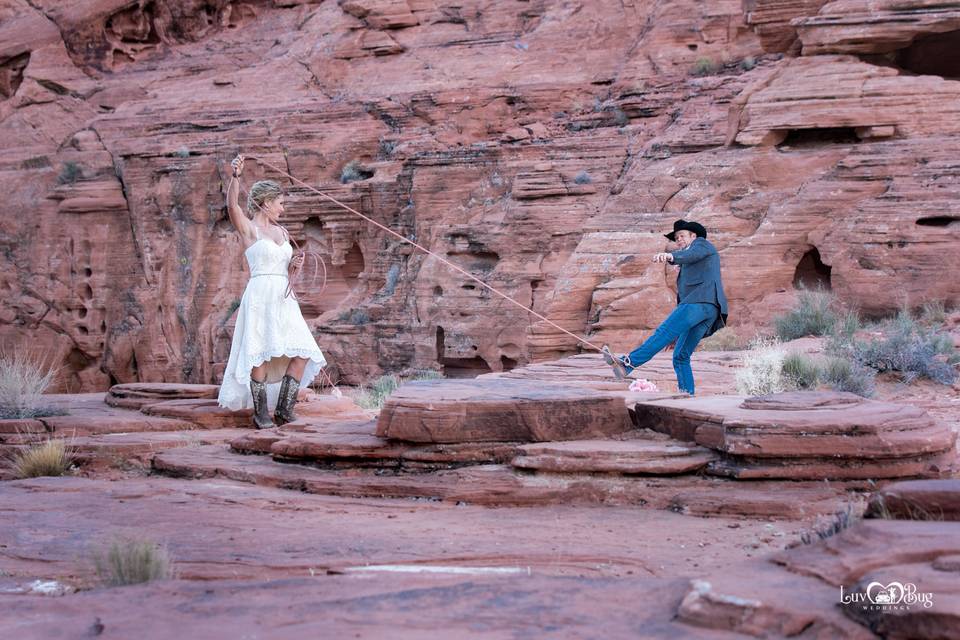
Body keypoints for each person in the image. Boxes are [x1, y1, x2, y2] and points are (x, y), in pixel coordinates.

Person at [216, 154, 327, 428]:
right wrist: (235, 177)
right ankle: (260, 412)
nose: (283, 209)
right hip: (260, 293)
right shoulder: (249, 229)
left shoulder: (283, 232)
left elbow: (287, 267)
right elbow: (232, 206)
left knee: (302, 350)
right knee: (260, 351)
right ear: (266, 203)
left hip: (283, 297)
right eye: (280, 203)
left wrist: (294, 265)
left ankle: (284, 410)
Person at [602, 219, 728, 396]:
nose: (679, 240)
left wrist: (671, 256)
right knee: (680, 356)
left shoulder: (702, 244)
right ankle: (687, 395)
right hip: (708, 311)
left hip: (698, 303)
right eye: (676, 238)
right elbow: (690, 262)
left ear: (694, 236)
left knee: (662, 332)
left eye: (682, 236)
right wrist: (678, 332)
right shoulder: (692, 259)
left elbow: (692, 254)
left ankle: (626, 364)